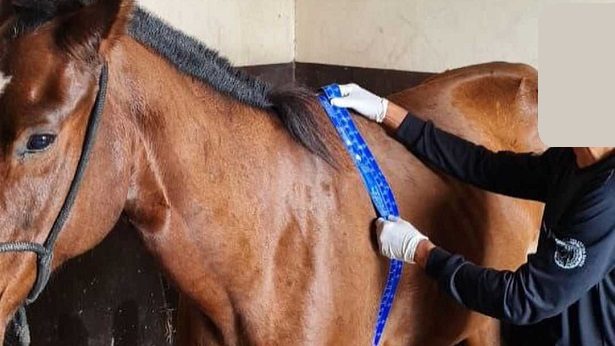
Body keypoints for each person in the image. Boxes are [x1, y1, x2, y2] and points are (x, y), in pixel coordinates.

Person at [330, 84, 615, 346]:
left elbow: (523, 299)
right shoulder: (572, 159)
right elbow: (485, 167)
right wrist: (387, 112)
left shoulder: (606, 197)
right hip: (549, 331)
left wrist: (422, 252)